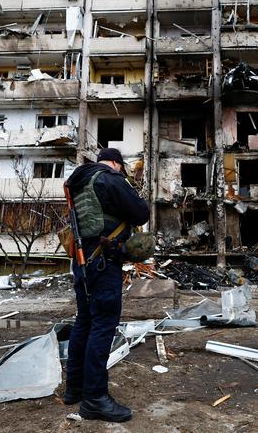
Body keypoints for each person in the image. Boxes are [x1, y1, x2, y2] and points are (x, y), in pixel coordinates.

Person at [63, 148, 150, 422]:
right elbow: (141, 213)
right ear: (116, 163)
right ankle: (95, 400)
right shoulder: (110, 178)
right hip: (103, 262)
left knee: (85, 321)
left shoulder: (78, 181)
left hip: (82, 260)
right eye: (121, 167)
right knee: (103, 325)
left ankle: (75, 389)